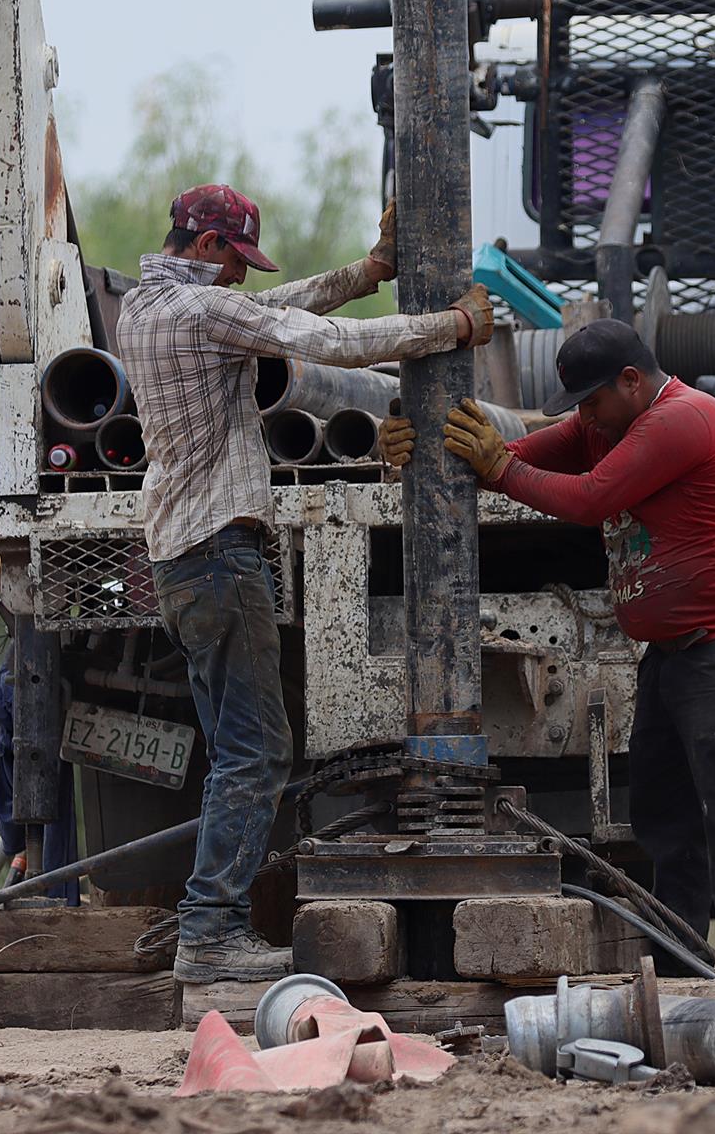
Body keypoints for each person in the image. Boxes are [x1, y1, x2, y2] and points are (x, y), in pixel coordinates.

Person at [117, 184, 493, 982]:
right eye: (237, 264)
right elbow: (323, 340)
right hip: (219, 555)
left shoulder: (148, 309)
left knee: (235, 752)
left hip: (182, 559)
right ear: (214, 246)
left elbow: (285, 304)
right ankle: (212, 932)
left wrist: (373, 268)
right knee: (258, 752)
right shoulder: (201, 314)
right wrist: (450, 327)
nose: (243, 280)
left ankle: (207, 927)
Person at [379, 319, 715, 1003]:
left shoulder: (683, 419)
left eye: (591, 401)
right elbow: (508, 455)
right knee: (666, 813)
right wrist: (422, 449)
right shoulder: (605, 422)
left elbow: (587, 497)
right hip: (677, 652)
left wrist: (499, 468)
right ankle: (682, 965)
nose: (583, 417)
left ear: (631, 382)